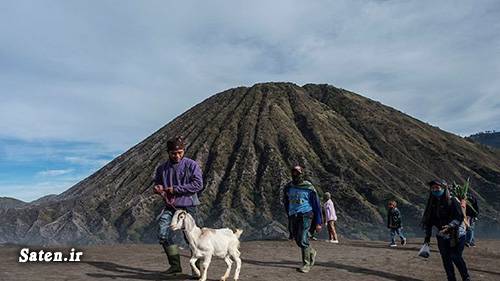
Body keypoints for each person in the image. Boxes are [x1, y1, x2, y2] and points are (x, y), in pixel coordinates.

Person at [153, 136, 203, 275]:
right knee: (163, 233)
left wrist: (175, 189)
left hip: (189, 206)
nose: (177, 155)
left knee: (192, 238)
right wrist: (158, 188)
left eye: (180, 152)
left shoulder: (191, 165)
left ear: (184, 150)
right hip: (170, 206)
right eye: (174, 153)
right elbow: (158, 184)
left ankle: (197, 270)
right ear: (168, 152)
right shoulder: (162, 169)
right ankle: (175, 266)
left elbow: (198, 184)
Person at [422, 179, 471, 281]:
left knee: (455, 256)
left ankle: (466, 277)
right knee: (445, 258)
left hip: (457, 233)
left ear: (444, 188)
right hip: (442, 235)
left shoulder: (452, 201)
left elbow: (459, 217)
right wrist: (427, 240)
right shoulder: (432, 204)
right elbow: (429, 222)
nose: (435, 189)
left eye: (437, 187)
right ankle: (451, 278)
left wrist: (450, 226)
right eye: (433, 188)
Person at [282, 165, 322, 273]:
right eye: (294, 172)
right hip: (293, 216)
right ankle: (311, 251)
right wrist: (288, 214)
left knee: (303, 238)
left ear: (301, 174)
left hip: (306, 215)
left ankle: (306, 264)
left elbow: (317, 206)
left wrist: (318, 222)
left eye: (297, 173)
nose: (295, 175)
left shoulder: (309, 188)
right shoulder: (288, 187)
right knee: (298, 239)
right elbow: (286, 202)